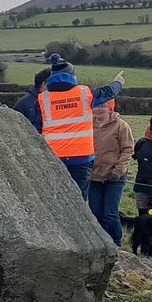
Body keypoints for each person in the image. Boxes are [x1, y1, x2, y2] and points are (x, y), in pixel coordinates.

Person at [38, 54, 125, 199]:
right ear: (73, 76)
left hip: (54, 155)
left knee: (56, 199)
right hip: (81, 157)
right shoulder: (85, 93)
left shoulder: (43, 98)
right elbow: (109, 92)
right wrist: (118, 82)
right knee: (79, 200)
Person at [88, 100, 134, 246]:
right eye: (96, 105)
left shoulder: (121, 125)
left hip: (115, 177)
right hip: (94, 176)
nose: (98, 109)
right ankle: (101, 243)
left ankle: (116, 243)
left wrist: (118, 171)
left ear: (110, 108)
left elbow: (128, 149)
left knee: (110, 214)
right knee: (95, 212)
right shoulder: (87, 124)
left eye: (103, 105)